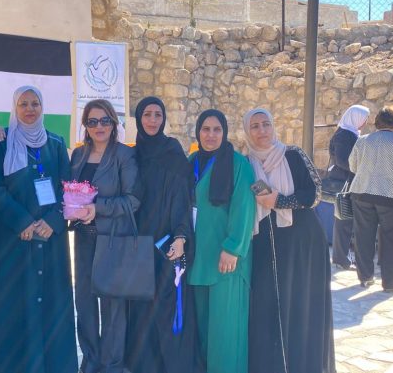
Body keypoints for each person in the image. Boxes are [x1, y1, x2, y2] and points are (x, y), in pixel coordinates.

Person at [0, 86, 77, 373]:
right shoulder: (0, 142)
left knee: (51, 305)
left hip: (50, 238)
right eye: (23, 104)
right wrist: (21, 220)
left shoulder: (56, 143)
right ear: (15, 107)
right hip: (14, 239)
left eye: (35, 103)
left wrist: (54, 221)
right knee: (16, 305)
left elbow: (67, 189)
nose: (29, 109)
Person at [244, 108, 335, 373]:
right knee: (268, 306)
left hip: (303, 244)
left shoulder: (293, 155)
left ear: (273, 126)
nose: (262, 130)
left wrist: (280, 201)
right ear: (247, 131)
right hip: (264, 245)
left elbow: (315, 193)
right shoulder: (245, 164)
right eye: (255, 126)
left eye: (266, 124)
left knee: (301, 305)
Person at [125, 97, 203, 373]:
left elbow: (183, 198)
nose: (153, 120)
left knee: (169, 310)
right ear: (139, 118)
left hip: (166, 246)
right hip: (138, 247)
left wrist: (181, 236)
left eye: (158, 114)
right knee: (141, 310)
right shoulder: (132, 155)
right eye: (147, 114)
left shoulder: (173, 153)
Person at [70, 99, 140, 373]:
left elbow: (133, 200)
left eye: (104, 120)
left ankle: (112, 365)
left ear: (113, 123)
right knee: (84, 303)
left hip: (112, 239)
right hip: (84, 239)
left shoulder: (124, 155)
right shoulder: (78, 155)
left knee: (113, 308)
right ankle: (91, 362)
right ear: (85, 126)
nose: (98, 126)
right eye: (92, 121)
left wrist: (97, 208)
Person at [186, 109, 255, 373]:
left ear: (224, 132)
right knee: (204, 333)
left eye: (217, 130)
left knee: (226, 334)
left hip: (226, 261)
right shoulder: (191, 162)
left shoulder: (238, 165)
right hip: (198, 259)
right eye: (206, 129)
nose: (211, 135)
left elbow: (244, 208)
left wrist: (233, 248)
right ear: (198, 132)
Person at [349, 106, 393, 293]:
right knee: (391, 240)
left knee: (363, 236)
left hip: (362, 192)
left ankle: (365, 277)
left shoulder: (362, 141)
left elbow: (353, 166)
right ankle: (390, 283)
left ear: (378, 122)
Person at [328, 105, 370, 270]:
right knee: (344, 220)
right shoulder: (344, 135)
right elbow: (341, 161)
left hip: (350, 181)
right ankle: (341, 258)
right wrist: (361, 169)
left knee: (346, 220)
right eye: (364, 118)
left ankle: (343, 257)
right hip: (345, 182)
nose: (366, 122)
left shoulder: (349, 133)